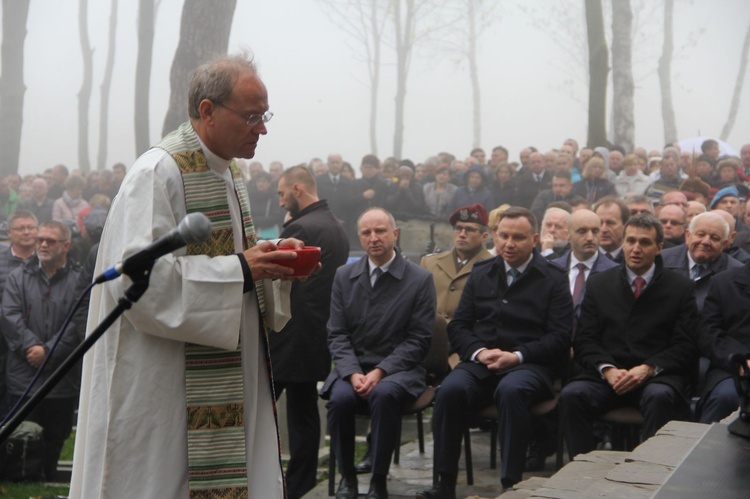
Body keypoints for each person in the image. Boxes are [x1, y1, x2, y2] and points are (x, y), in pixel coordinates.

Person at [71, 53, 307, 498]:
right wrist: (241, 268)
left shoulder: (229, 173)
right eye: (252, 116)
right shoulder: (158, 173)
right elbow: (140, 284)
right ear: (207, 111)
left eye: (265, 115)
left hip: (227, 372)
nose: (263, 128)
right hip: (163, 384)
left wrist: (271, 259)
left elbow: (237, 262)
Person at [418, 207, 573, 498]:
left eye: (518, 237)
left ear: (535, 239)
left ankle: (509, 484)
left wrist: (517, 356)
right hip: (482, 363)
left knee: (512, 390)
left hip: (530, 365)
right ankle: (444, 482)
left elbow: (560, 337)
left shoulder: (553, 277)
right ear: (495, 236)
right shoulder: (483, 272)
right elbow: (460, 325)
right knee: (449, 390)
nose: (509, 244)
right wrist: (478, 352)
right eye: (503, 236)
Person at [560, 214, 698, 459]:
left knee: (659, 397)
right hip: (608, 376)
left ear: (659, 248)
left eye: (644, 243)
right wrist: (607, 369)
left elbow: (685, 345)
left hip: (656, 377)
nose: (636, 249)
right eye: (630, 241)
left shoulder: (680, 287)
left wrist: (648, 368)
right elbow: (584, 340)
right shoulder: (600, 284)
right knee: (572, 395)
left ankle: (650, 473)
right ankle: (580, 471)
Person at [323, 207, 435, 499]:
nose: (374, 238)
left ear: (395, 234)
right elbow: (337, 332)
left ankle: (379, 480)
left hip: (399, 370)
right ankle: (347, 478)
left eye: (381, 231)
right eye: (366, 233)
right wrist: (352, 372)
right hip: (354, 368)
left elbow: (419, 339)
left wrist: (380, 371)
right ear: (359, 238)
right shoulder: (344, 276)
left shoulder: (419, 279)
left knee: (384, 395)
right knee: (339, 399)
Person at [271, 166, 350, 499]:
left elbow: (283, 281)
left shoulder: (303, 227)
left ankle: (268, 479)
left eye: (281, 193)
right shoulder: (335, 226)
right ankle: (299, 484)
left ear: (298, 188)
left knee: (263, 408)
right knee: (303, 412)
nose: (279, 201)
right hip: (317, 332)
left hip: (291, 333)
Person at [2, 221, 81, 480]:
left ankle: (48, 478)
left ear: (66, 245)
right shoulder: (18, 277)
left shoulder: (79, 279)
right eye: (40, 240)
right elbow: (9, 315)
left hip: (60, 377)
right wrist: (32, 347)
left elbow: (78, 321)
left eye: (51, 241)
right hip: (23, 376)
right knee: (20, 435)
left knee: (55, 438)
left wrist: (49, 352)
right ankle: (21, 481)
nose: (43, 245)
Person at [697, 259, 750, 423]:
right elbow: (709, 334)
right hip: (732, 367)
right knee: (725, 397)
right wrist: (743, 360)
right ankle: (705, 448)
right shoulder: (723, 283)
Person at [420, 204, 492, 322]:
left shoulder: (493, 267)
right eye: (458, 228)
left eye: (469, 230)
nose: (462, 234)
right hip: (431, 336)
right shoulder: (430, 263)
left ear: (484, 236)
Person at [661, 212, 742, 312]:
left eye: (714, 238)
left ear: (724, 244)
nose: (705, 242)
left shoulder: (735, 273)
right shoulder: (662, 261)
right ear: (688, 235)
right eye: (700, 234)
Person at [0, 210, 39, 419]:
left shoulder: (45, 261)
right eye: (20, 228)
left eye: (30, 228)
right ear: (9, 233)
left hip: (33, 339)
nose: (26, 232)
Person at [594, 196, 630, 263]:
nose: (603, 229)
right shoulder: (585, 256)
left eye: (610, 223)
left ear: (625, 226)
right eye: (599, 223)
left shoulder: (633, 257)